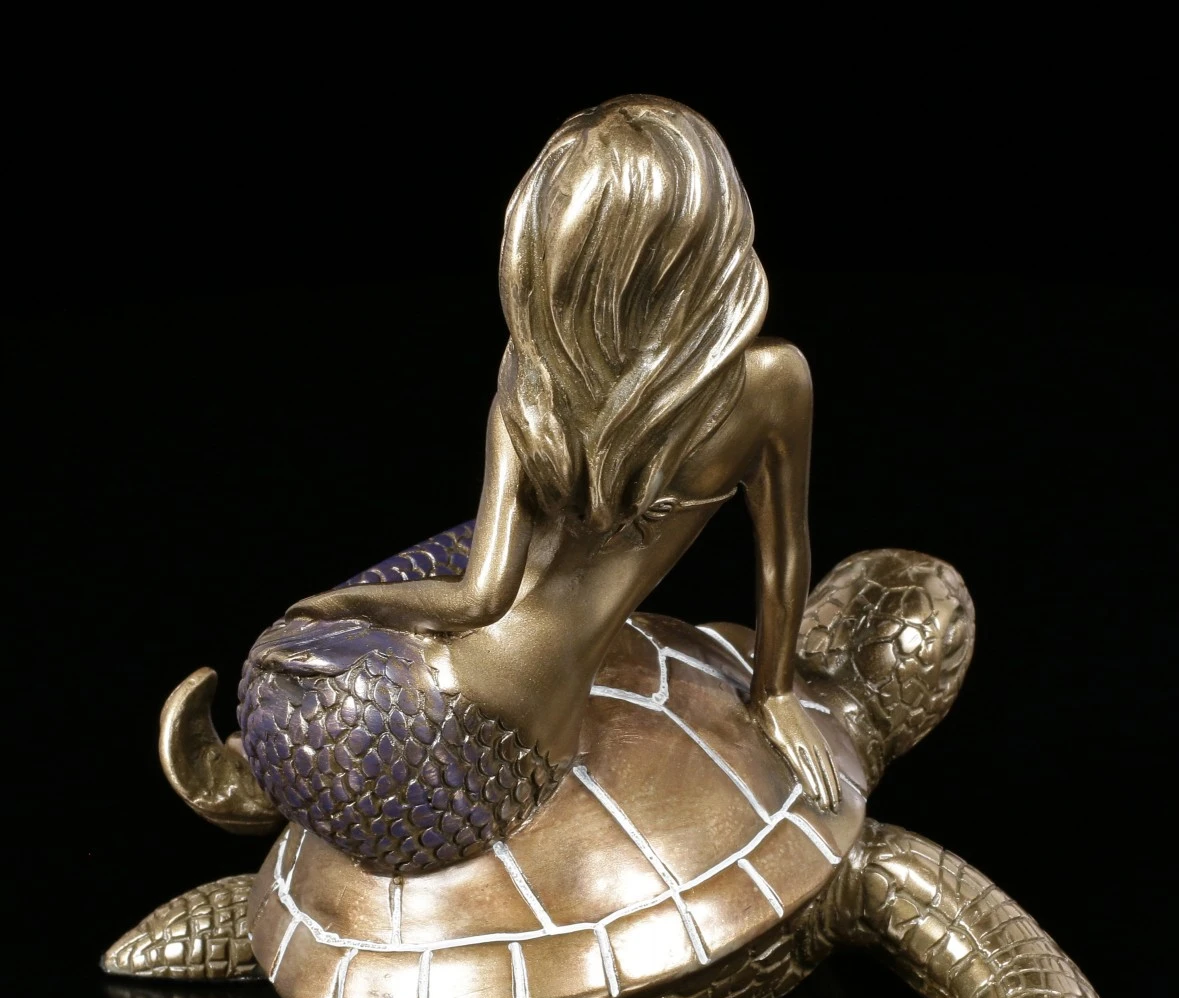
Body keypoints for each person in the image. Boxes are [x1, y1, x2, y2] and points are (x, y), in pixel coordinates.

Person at [260, 94, 836, 871]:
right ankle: (309, 768)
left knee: (295, 654)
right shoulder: (774, 381)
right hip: (514, 750)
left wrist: (324, 609)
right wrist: (776, 693)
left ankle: (273, 769)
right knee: (364, 675)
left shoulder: (528, 387)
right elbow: (784, 555)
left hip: (424, 712)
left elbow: (477, 600)